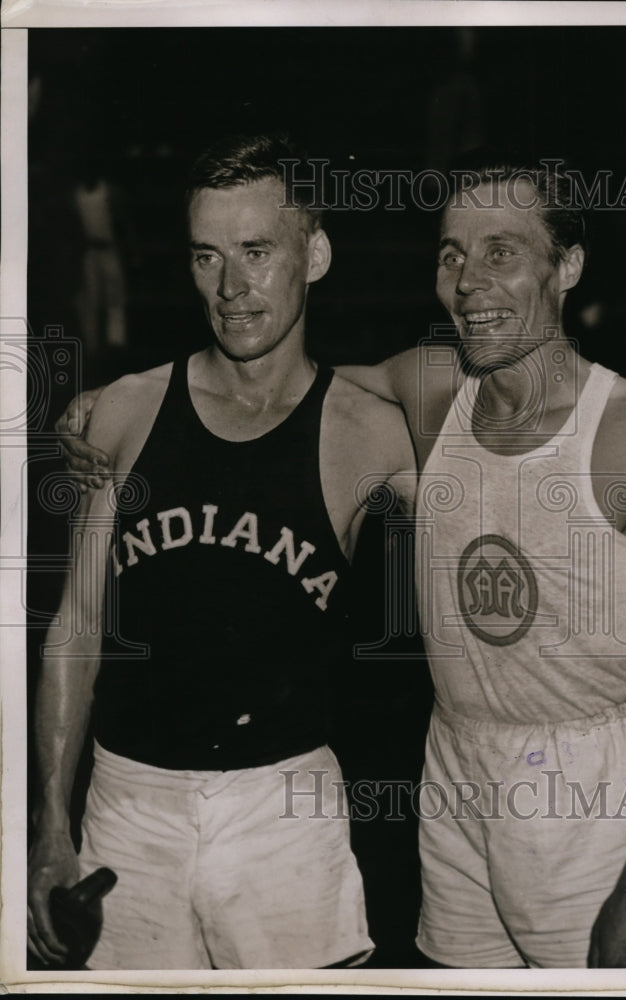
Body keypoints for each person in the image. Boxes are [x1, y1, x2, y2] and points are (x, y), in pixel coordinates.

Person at [50, 146, 626, 970]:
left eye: (500, 252)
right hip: (453, 780)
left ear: (567, 265)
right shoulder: (434, 391)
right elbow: (283, 384)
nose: (468, 280)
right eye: (450, 254)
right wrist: (95, 406)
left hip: (587, 791)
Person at [26, 133, 417, 970]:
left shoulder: (372, 433)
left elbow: (525, 449)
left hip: (285, 812)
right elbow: (76, 630)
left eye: (255, 252)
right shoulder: (124, 414)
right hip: (128, 805)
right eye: (207, 257)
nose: (231, 289)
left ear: (313, 254)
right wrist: (50, 830)